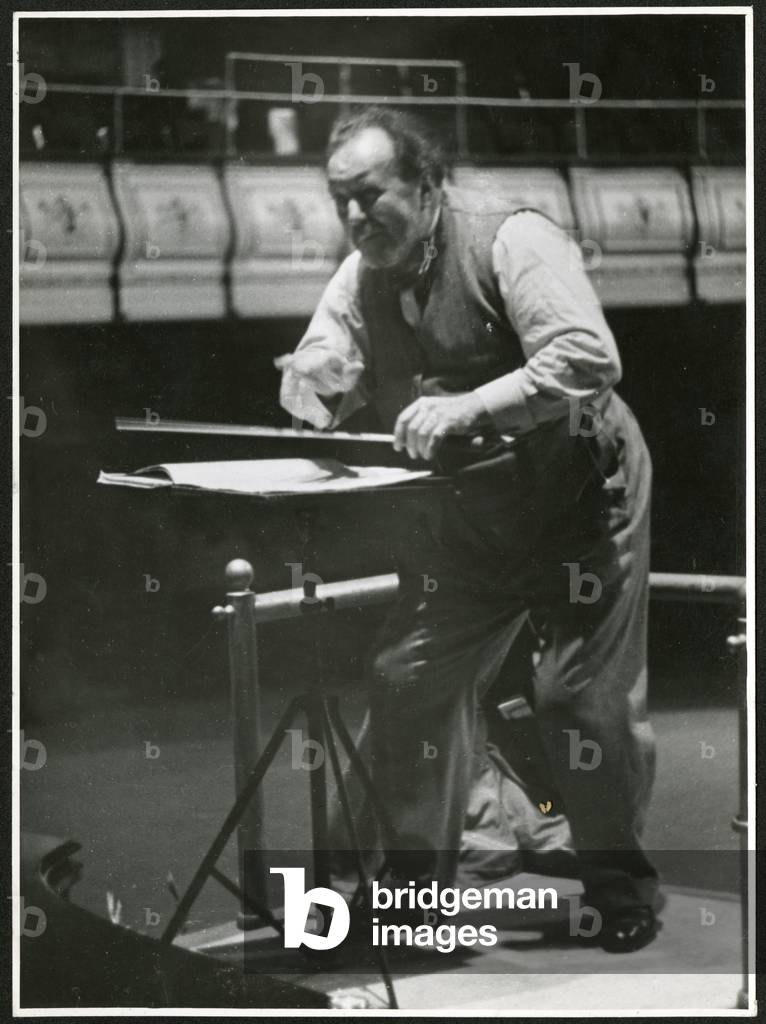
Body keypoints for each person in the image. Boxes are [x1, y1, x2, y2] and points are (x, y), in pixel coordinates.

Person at [277, 106, 659, 953]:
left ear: (426, 185)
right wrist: (316, 383)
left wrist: (472, 405)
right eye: (339, 199)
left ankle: (620, 888)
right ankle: (414, 896)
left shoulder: (511, 239)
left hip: (581, 505)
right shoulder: (358, 275)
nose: (353, 217)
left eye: (369, 195)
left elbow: (589, 357)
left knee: (575, 699)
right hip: (473, 527)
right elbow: (312, 386)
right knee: (405, 676)